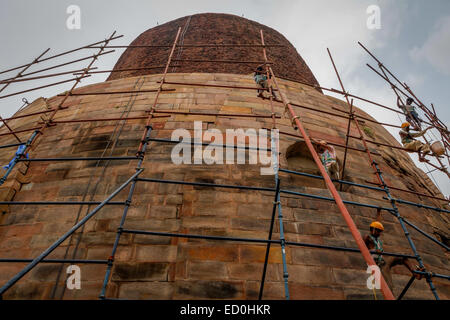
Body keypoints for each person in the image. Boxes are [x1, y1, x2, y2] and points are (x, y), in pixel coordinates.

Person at [364, 221, 423, 294]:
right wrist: (374, 250)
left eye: (380, 231)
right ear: (373, 230)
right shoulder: (367, 237)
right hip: (377, 265)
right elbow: (363, 247)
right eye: (378, 231)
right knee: (389, 286)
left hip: (383, 261)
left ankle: (415, 272)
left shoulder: (378, 240)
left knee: (402, 256)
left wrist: (379, 212)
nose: (380, 233)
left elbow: (378, 221)